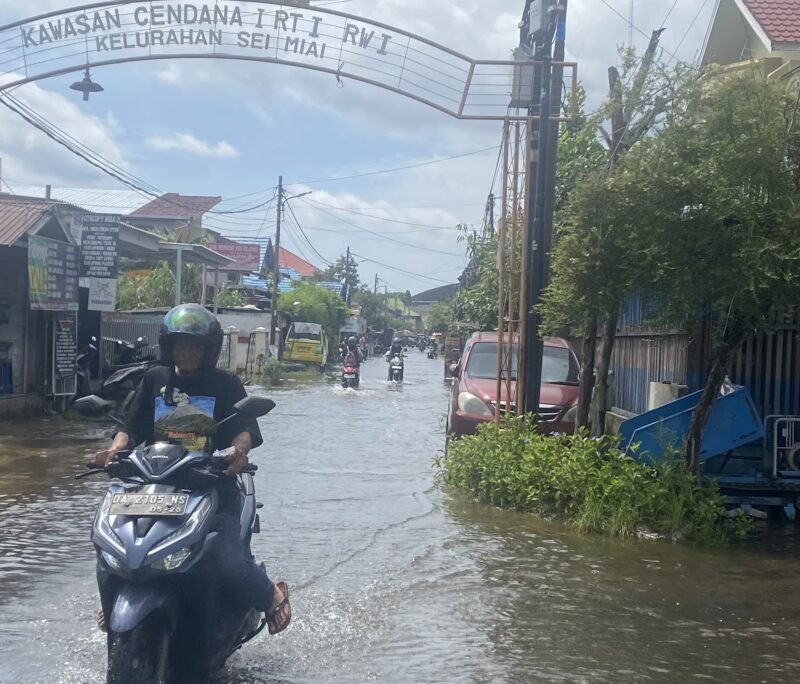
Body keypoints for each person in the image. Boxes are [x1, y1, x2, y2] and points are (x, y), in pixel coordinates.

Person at [92, 303, 291, 635]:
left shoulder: (225, 384)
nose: (186, 352)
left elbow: (243, 429)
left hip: (211, 487)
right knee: (109, 544)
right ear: (169, 347)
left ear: (208, 350)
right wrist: (114, 449)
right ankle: (112, 597)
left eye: (194, 345)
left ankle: (270, 595)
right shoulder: (155, 378)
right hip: (155, 488)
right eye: (180, 345)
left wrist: (238, 451)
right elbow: (129, 425)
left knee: (228, 560)